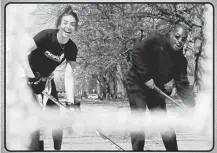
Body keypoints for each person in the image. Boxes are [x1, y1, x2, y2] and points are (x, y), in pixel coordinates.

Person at [125, 23, 195, 151]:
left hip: (155, 89)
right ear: (171, 34)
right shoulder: (155, 40)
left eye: (183, 39)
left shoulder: (181, 61)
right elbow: (136, 53)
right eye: (177, 37)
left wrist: (192, 106)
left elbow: (183, 85)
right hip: (137, 83)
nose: (179, 41)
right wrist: (146, 77)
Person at [21, 5, 80, 151]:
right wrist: (31, 78)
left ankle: (57, 150)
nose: (68, 26)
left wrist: (71, 104)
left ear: (75, 28)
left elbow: (69, 76)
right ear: (59, 25)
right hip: (28, 78)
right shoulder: (46, 35)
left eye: (72, 24)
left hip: (47, 80)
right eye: (65, 23)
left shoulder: (72, 48)